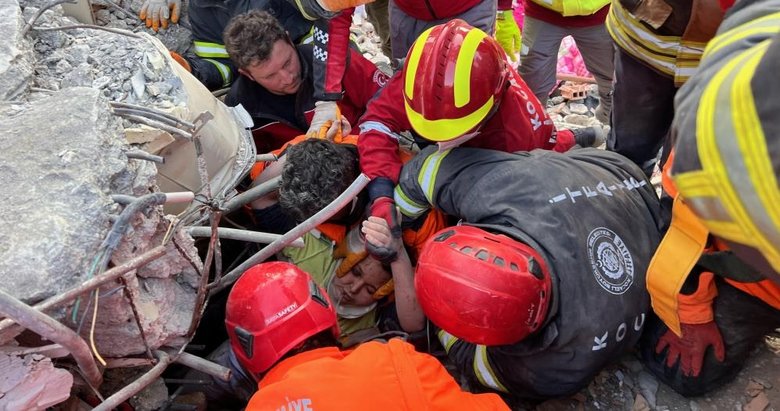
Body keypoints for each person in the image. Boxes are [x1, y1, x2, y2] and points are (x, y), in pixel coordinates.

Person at [394, 145, 664, 398]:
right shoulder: (502, 188)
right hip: (616, 173)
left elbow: (471, 359)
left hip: (632, 188)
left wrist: (438, 314)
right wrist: (404, 221)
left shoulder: (550, 370)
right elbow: (424, 171)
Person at [357, 19, 606, 261]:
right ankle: (579, 137)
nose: (442, 143)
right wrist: (380, 193)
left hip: (533, 146)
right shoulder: (424, 77)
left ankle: (575, 139)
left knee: (549, 147)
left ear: (494, 105)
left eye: (454, 132)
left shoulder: (516, 138)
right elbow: (377, 121)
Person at [638, 0, 780, 397]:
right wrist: (693, 312)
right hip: (755, 278)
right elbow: (685, 228)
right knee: (679, 367)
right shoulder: (737, 122)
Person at [186, 261, 509, 410]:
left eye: (369, 288)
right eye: (355, 273)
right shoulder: (394, 360)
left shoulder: (263, 405)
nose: (353, 289)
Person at [222, 10, 389, 152]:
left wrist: (352, 140)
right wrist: (297, 152)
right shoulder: (239, 108)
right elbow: (247, 171)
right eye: (270, 76)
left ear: (289, 40)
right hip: (299, 182)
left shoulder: (335, 61)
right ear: (247, 74)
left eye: (287, 62)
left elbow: (390, 104)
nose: (287, 78)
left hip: (368, 152)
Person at [605, 0, 728, 175]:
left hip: (719, 64)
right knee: (628, 153)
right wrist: (646, 8)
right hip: (642, 47)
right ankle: (624, 191)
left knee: (687, 168)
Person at [517, 0, 614, 123]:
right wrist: (503, 10)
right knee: (533, 80)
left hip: (600, 14)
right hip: (543, 12)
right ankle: (533, 128)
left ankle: (612, 120)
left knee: (613, 74)